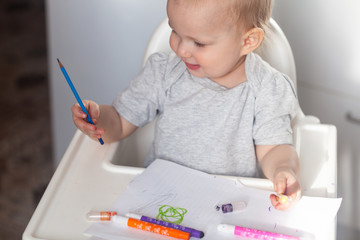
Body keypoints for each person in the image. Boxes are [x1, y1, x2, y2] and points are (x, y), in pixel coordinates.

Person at [71, 0, 301, 210]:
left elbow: (273, 148)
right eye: (175, 32)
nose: (181, 50)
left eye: (199, 43)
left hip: (229, 205)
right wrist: (98, 119)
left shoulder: (267, 89)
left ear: (248, 41)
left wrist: (283, 170)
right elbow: (120, 122)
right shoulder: (163, 73)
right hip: (161, 198)